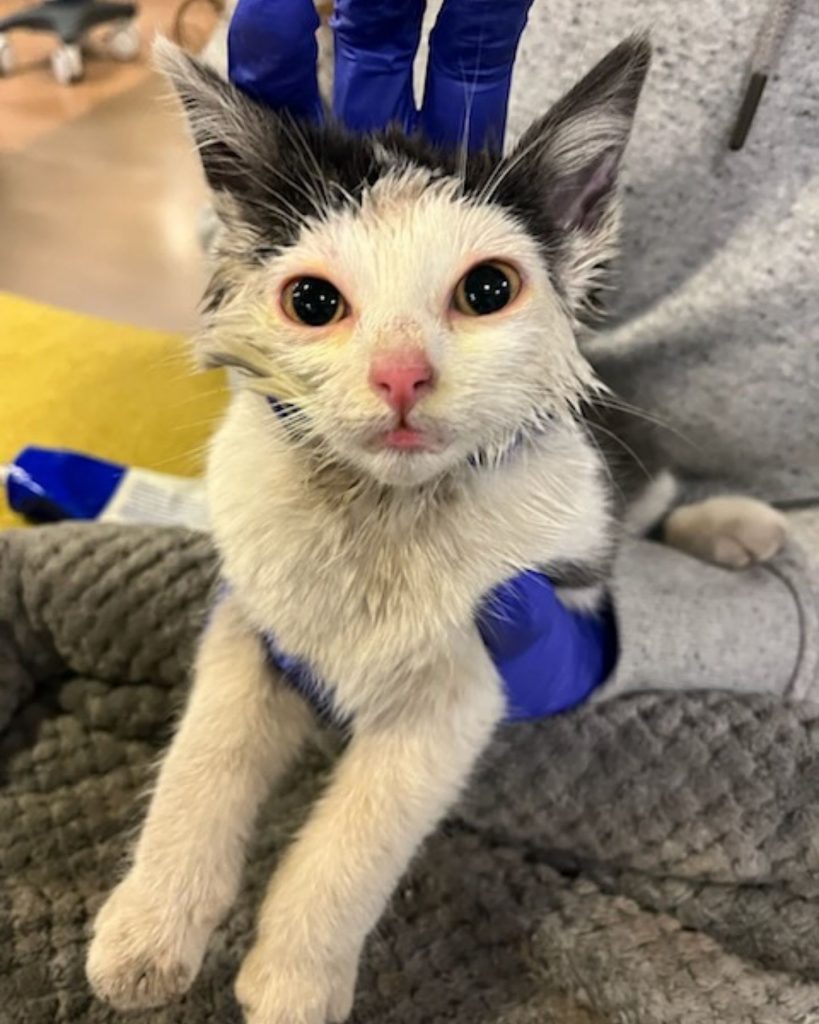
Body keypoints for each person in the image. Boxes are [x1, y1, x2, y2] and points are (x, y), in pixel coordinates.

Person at [224, 0, 819, 707]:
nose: (403, 375)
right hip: (331, 465)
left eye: (483, 288)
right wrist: (264, 299)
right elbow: (234, 270)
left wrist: (652, 630)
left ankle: (659, 518)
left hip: (744, 586)